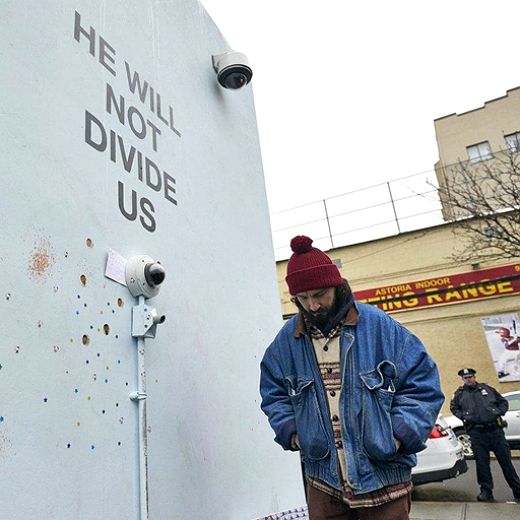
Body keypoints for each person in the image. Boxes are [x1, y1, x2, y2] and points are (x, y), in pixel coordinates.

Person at [260, 235, 444, 520]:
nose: (313, 305)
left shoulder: (379, 326)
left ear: (337, 285)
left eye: (319, 294)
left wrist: (398, 435)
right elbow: (274, 392)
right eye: (303, 298)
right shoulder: (287, 341)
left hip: (383, 475)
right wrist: (293, 432)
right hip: (323, 480)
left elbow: (423, 385)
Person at [449, 367, 520, 503]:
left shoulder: (487, 389)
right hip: (477, 433)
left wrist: (498, 412)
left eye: (470, 377)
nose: (468, 379)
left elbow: (503, 402)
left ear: (474, 377)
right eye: (465, 378)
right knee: (482, 465)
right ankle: (486, 491)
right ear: (462, 379)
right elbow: (454, 408)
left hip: (495, 432)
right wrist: (465, 417)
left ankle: (517, 489)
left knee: (506, 463)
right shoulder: (460, 394)